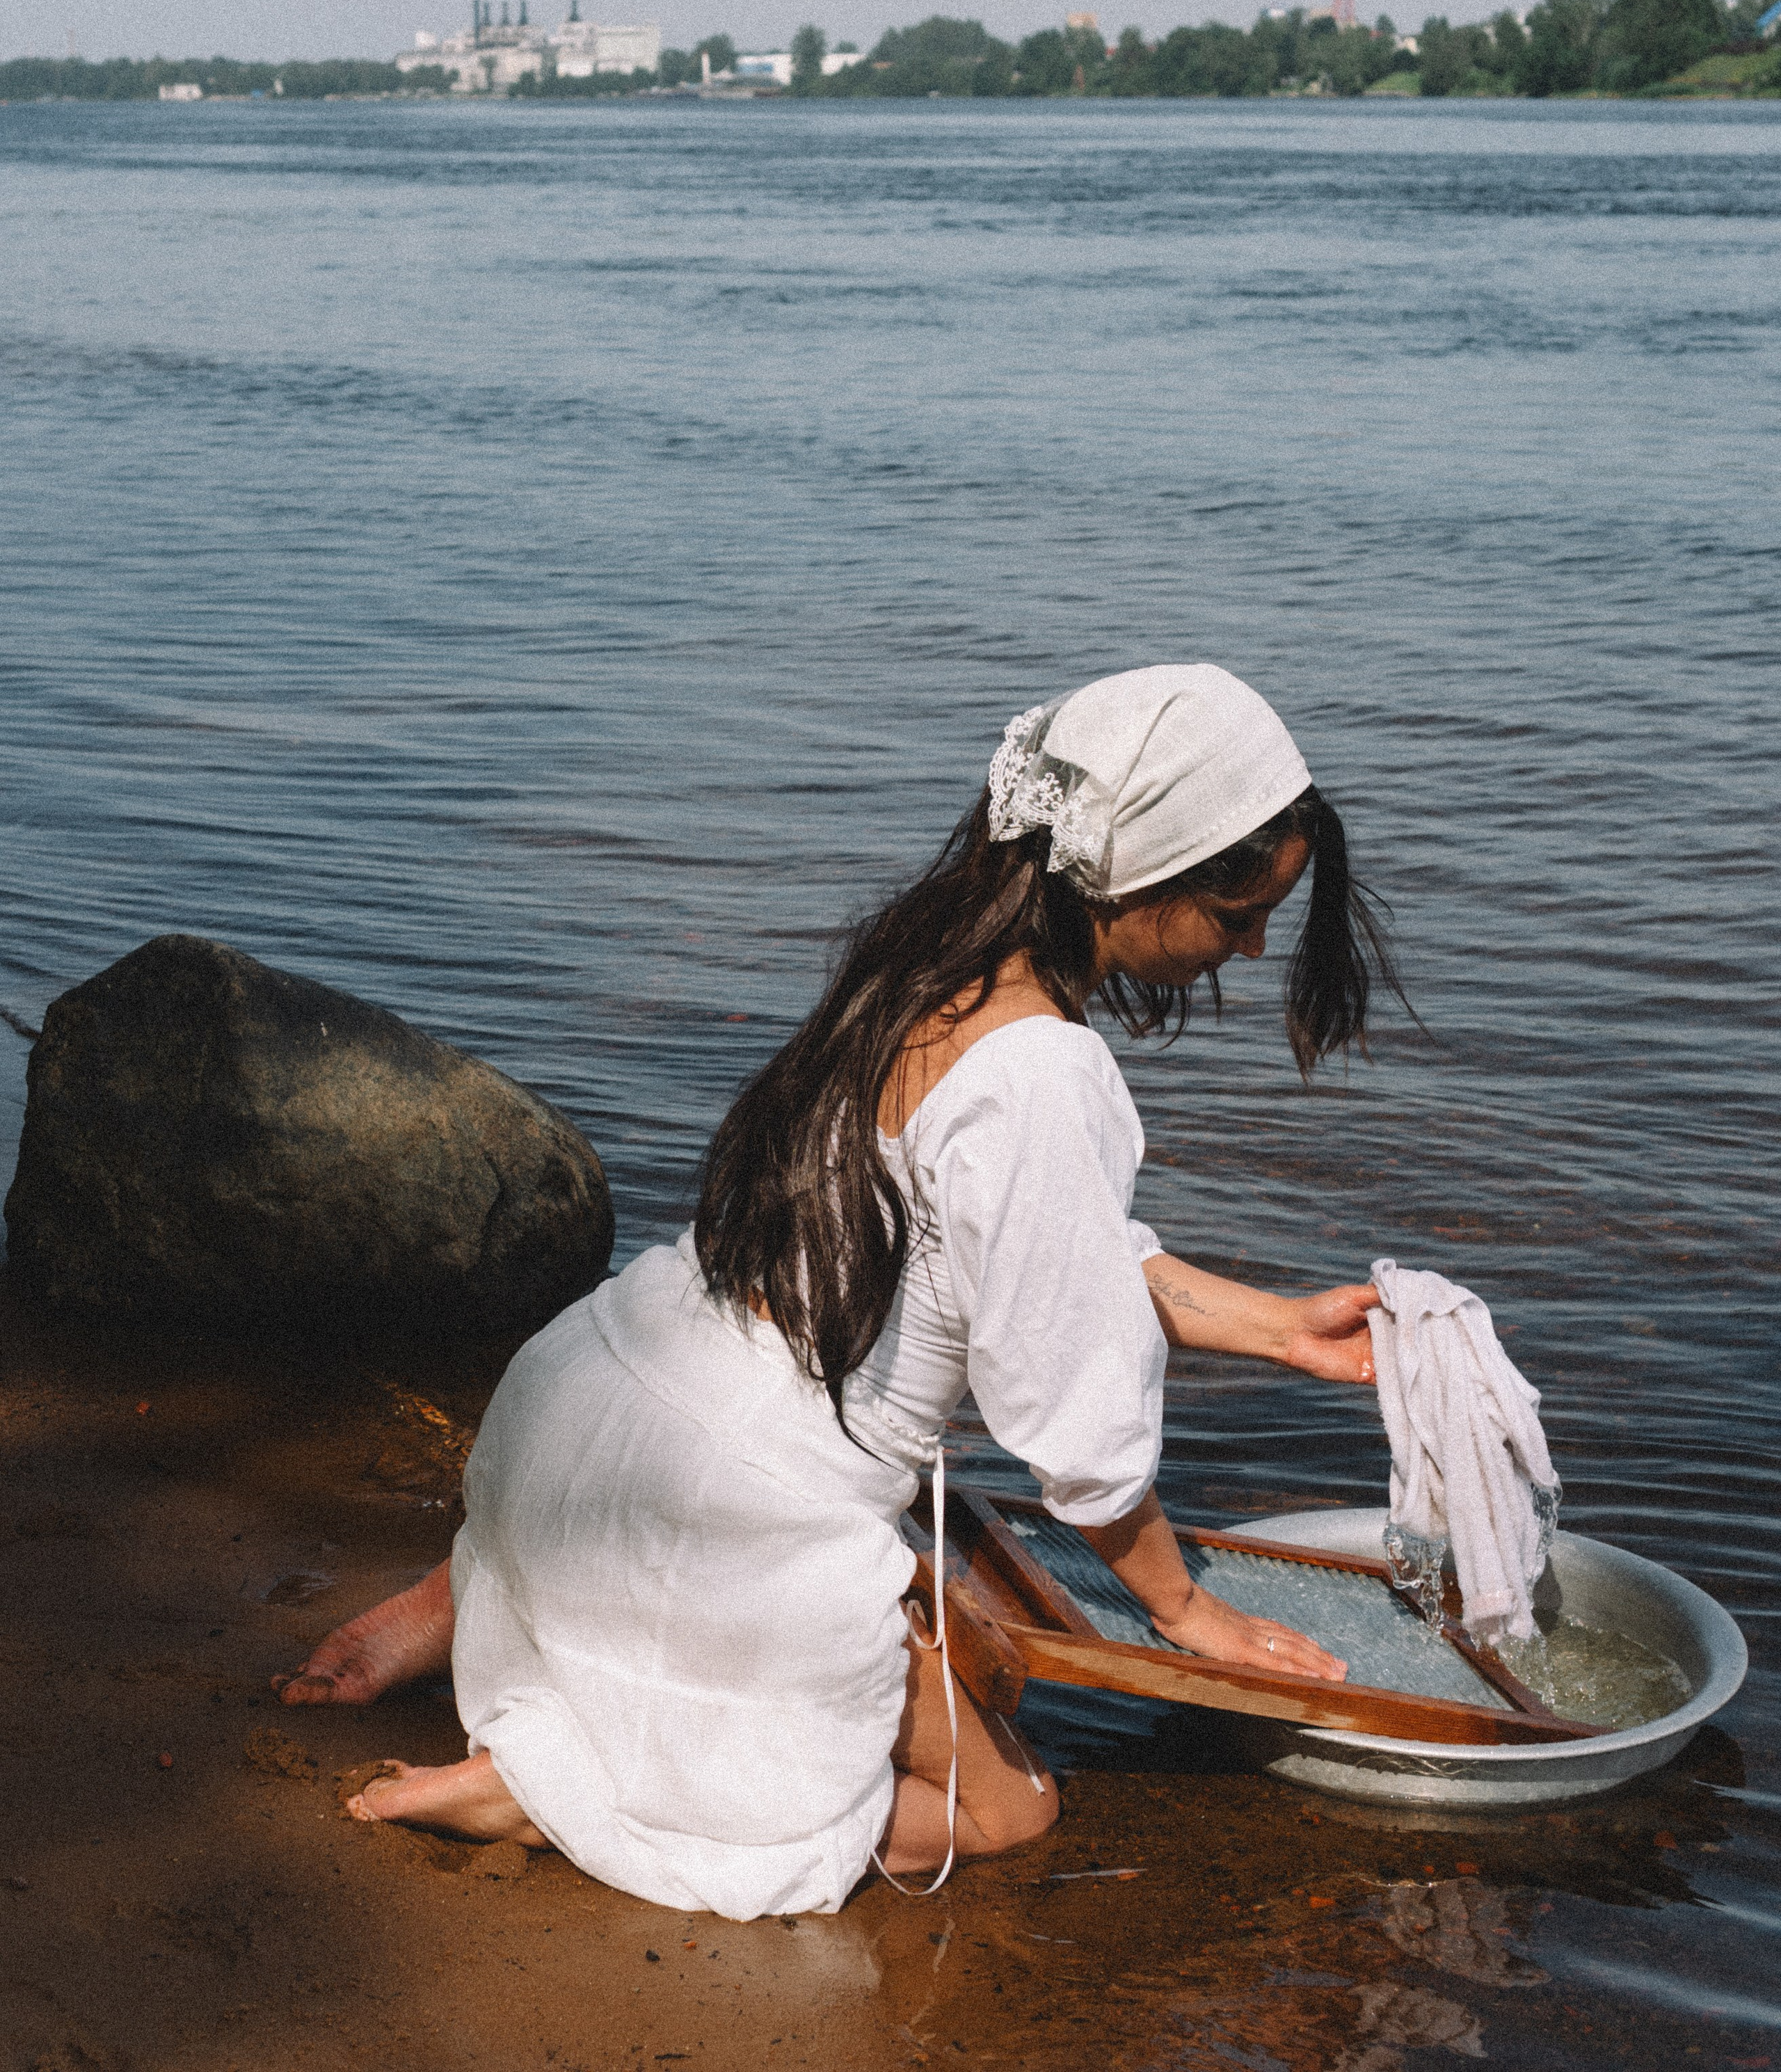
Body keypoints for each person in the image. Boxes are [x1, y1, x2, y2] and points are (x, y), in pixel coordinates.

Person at [279, 664, 1402, 1918]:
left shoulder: (926, 967)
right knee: (1009, 1811)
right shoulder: (1045, 1074)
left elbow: (1036, 1252)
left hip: (582, 1410)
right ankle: (554, 1790)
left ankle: (472, 1602)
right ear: (1135, 873)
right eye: (1238, 911)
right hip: (728, 1514)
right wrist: (1188, 1611)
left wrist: (1277, 1330)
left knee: (880, 1589)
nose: (1250, 948)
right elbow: (1077, 1426)